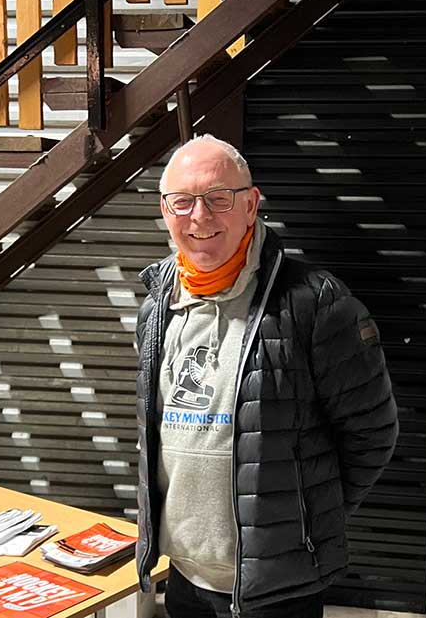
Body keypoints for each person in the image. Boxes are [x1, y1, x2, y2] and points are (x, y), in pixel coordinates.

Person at [135, 135, 399, 618]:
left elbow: (372, 434)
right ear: (165, 210)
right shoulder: (157, 307)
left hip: (278, 592)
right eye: (182, 202)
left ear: (251, 205)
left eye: (218, 198)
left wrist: (303, 524)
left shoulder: (315, 302)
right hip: (185, 578)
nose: (199, 217)